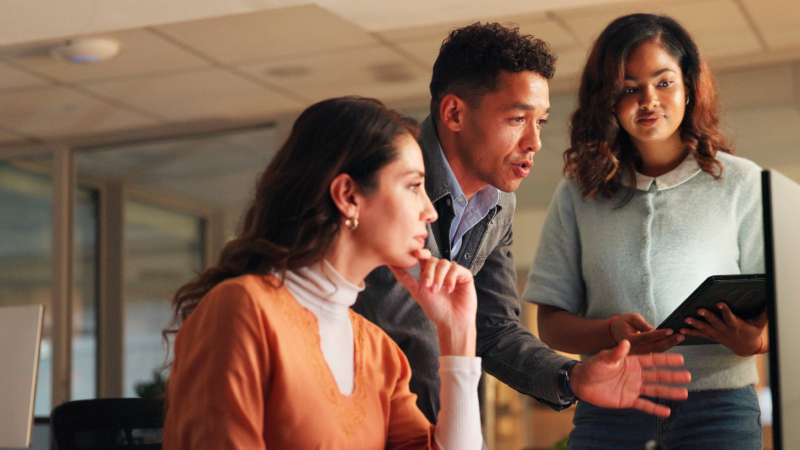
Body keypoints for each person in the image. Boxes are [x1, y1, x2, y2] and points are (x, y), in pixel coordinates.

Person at [354, 21, 691, 424]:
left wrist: (572, 376)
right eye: (518, 118)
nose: (535, 141)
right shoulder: (390, 179)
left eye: (541, 121)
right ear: (454, 113)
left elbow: (493, 330)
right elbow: (410, 336)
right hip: (354, 414)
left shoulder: (500, 205)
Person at [162, 97, 487, 449]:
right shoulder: (243, 308)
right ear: (348, 195)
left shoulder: (380, 353)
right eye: (412, 186)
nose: (430, 211)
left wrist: (458, 337)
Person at [524, 14, 767, 450]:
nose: (649, 101)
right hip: (611, 409)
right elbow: (552, 325)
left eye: (664, 82)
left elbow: (781, 304)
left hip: (719, 410)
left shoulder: (742, 183)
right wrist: (612, 330)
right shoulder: (578, 194)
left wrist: (756, 338)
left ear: (689, 86)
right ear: (606, 100)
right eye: (629, 88)